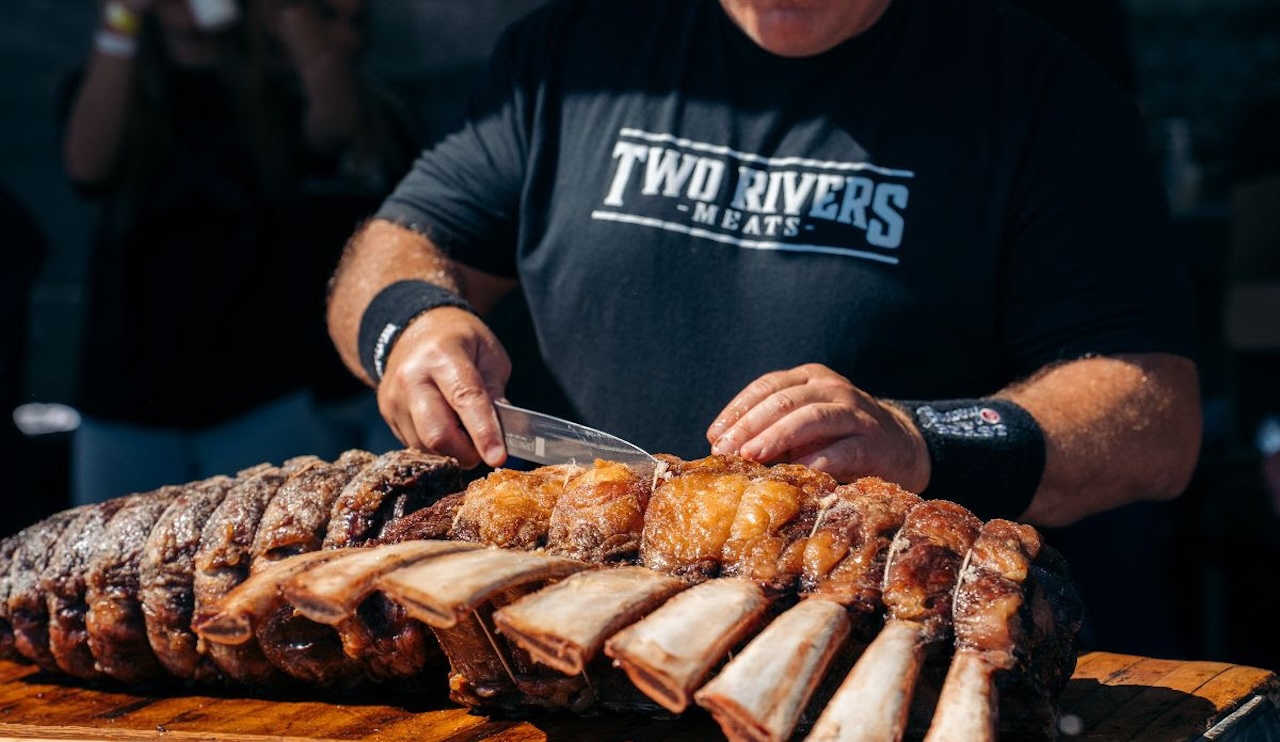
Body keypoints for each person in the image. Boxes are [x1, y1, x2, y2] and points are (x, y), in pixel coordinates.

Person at [325, 0, 1202, 533]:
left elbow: (1154, 417)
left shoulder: (1042, 97)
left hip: (883, 645)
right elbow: (397, 241)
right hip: (579, 626)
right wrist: (411, 327)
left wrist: (919, 440)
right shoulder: (576, 52)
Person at [62, 0, 419, 505]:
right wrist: (121, 18)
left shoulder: (273, 94)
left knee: (270, 571)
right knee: (114, 575)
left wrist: (290, 14)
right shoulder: (111, 85)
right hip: (126, 401)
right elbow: (86, 167)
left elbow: (336, 124)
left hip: (260, 398)